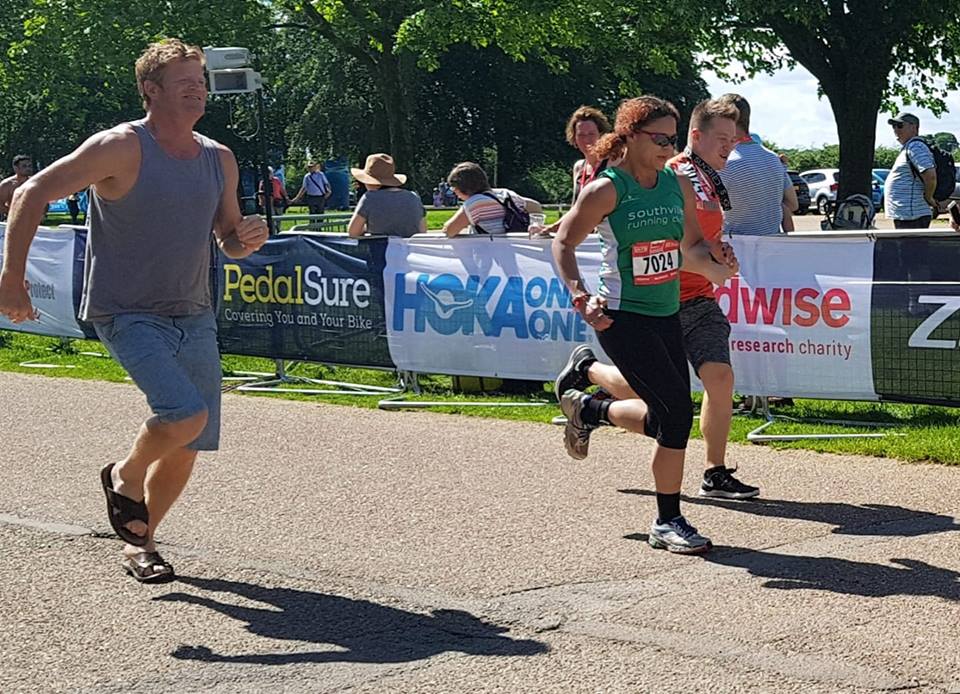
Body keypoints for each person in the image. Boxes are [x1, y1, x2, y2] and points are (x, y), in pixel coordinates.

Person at [0, 38, 269, 582]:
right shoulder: (122, 146)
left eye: (200, 81)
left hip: (193, 312)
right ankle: (125, 475)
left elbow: (227, 237)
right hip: (125, 310)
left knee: (187, 444)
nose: (197, 89)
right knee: (184, 415)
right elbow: (32, 192)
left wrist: (246, 239)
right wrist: (11, 278)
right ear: (151, 89)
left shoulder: (219, 157)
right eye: (184, 82)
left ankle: (140, 546)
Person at [551, 95, 738, 554]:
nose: (668, 148)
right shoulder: (607, 189)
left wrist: (718, 262)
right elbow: (563, 242)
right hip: (622, 315)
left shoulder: (677, 183)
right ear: (631, 136)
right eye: (659, 139)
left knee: (665, 417)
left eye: (672, 139)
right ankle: (667, 520)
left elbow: (690, 247)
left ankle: (589, 408)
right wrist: (579, 294)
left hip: (666, 311)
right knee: (676, 414)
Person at [716, 94, 797, 236]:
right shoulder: (774, 160)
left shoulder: (724, 164)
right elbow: (792, 204)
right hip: (772, 244)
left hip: (736, 245)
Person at [543, 106, 613, 235]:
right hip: (583, 237)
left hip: (607, 236)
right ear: (574, 138)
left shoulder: (614, 164)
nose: (587, 140)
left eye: (591, 134)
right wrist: (549, 228)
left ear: (601, 135)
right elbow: (575, 209)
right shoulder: (579, 167)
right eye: (581, 135)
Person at [442, 161, 542, 237]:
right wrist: (536, 224)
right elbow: (536, 206)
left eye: (453, 188)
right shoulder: (506, 194)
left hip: (491, 252)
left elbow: (449, 231)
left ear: (463, 187)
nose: (454, 192)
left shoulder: (475, 203)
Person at [347, 153, 426, 238]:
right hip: (409, 246)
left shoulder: (369, 198)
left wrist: (366, 229)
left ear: (371, 182)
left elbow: (353, 232)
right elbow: (422, 231)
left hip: (380, 246)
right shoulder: (413, 197)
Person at [884, 112, 936, 229]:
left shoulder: (915, 146)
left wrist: (929, 197)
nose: (895, 129)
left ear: (914, 127)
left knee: (911, 242)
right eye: (894, 126)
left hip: (912, 215)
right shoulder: (909, 147)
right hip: (907, 214)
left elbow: (930, 175)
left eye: (900, 126)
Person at [0, 155, 37, 220]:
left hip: (34, 218)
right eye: (24, 166)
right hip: (13, 219)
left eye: (29, 166)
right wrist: (14, 213)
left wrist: (42, 213)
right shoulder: (7, 184)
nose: (28, 168)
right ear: (16, 168)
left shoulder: (35, 182)